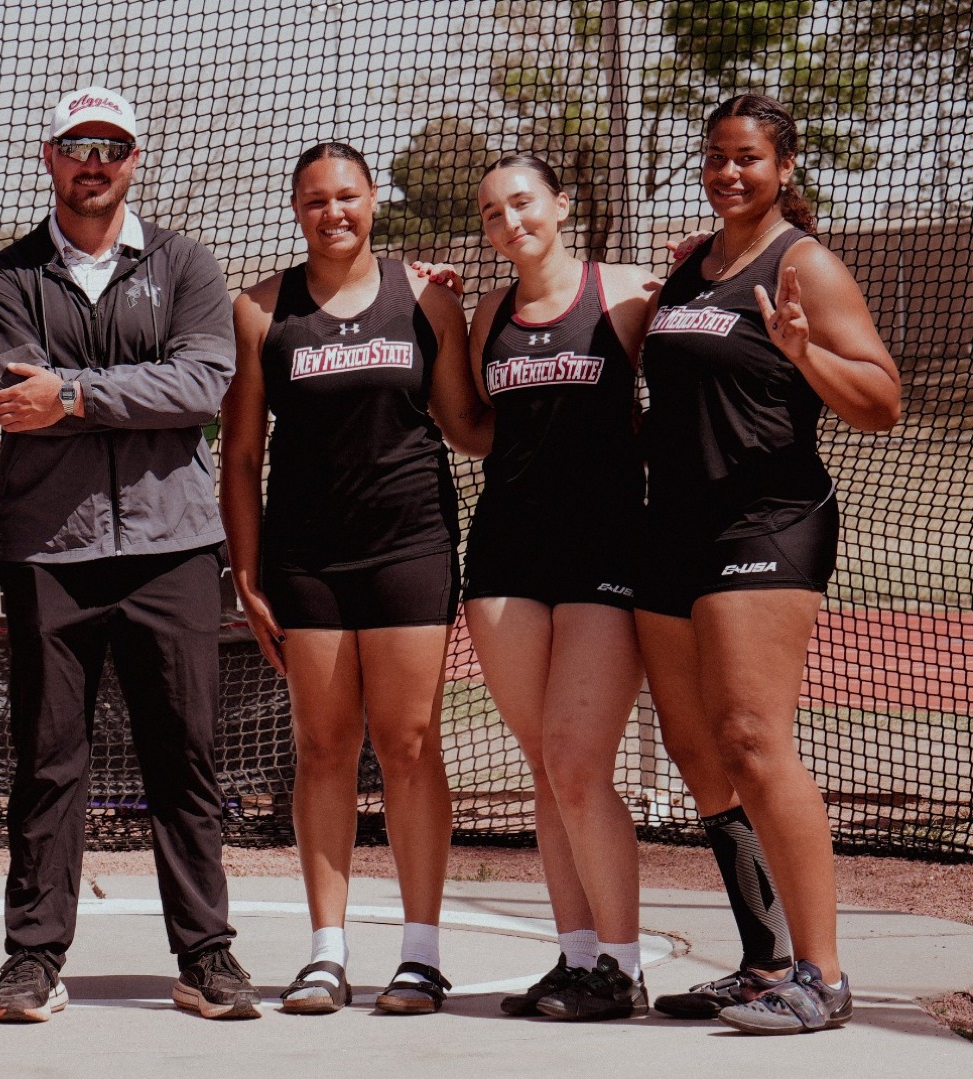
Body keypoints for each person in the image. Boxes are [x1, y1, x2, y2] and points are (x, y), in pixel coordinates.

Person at [0, 86, 261, 1022]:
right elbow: (19, 393)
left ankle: (206, 954)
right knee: (49, 759)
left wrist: (80, 395)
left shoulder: (186, 264)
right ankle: (32, 960)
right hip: (51, 552)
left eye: (113, 147)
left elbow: (202, 381)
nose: (94, 160)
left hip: (173, 547)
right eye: (78, 145)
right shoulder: (5, 278)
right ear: (48, 155)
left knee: (185, 755)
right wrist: (99, 391)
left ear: (134, 160)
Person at [637, 93, 899, 1035]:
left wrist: (803, 353)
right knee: (695, 746)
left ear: (784, 167)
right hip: (672, 528)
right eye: (715, 156)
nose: (728, 172)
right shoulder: (690, 269)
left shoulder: (807, 264)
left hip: (766, 522)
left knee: (752, 734)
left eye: (747, 157)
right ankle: (764, 959)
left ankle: (822, 975)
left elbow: (882, 399)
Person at [220, 141, 479, 1016]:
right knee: (324, 748)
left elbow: (467, 424)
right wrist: (246, 571)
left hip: (411, 547)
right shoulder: (260, 311)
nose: (333, 212)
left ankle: (419, 954)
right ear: (297, 210)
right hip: (308, 561)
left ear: (374, 201)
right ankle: (326, 952)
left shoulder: (428, 298)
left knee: (407, 745)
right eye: (315, 201)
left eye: (348, 197)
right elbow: (244, 452)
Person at [456, 155, 659, 1021]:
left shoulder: (629, 293)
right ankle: (578, 960)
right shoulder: (488, 313)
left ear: (563, 205)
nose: (511, 223)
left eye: (524, 203)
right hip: (505, 555)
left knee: (579, 762)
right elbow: (472, 427)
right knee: (547, 765)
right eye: (494, 214)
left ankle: (624, 964)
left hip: (605, 552)